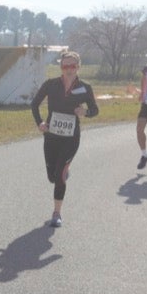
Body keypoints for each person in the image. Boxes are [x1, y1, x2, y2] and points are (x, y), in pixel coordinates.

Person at [30, 50, 100, 227]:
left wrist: (85, 112)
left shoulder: (85, 87)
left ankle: (57, 213)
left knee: (60, 176)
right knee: (52, 177)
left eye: (72, 66)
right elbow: (34, 104)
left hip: (71, 138)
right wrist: (40, 123)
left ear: (78, 67)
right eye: (65, 66)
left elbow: (95, 110)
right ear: (61, 67)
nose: (69, 69)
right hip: (51, 136)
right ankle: (62, 171)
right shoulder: (51, 84)